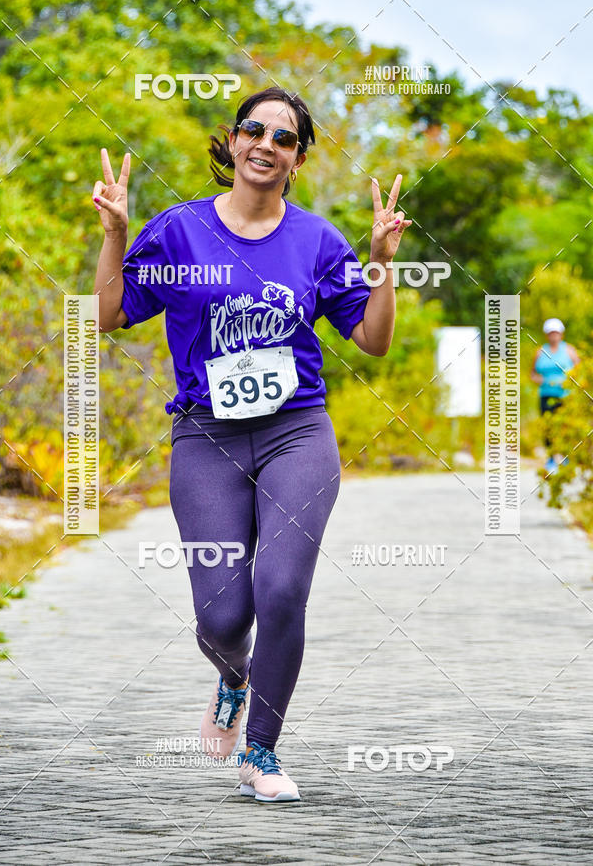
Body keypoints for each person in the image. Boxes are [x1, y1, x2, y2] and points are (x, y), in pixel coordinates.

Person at [92, 86, 412, 802]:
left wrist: (382, 258)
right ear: (232, 143)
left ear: (298, 158)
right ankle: (233, 676)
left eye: (285, 137)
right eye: (254, 130)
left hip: (297, 429)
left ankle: (261, 752)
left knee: (283, 587)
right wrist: (115, 232)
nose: (267, 143)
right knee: (222, 617)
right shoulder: (177, 231)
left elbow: (376, 340)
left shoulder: (319, 242)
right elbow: (108, 315)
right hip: (206, 437)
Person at [530, 318, 579, 474]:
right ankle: (551, 457)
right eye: (551, 333)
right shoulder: (540, 352)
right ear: (547, 335)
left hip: (565, 396)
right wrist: (541, 380)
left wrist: (570, 381)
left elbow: (580, 371)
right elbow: (532, 374)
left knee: (565, 426)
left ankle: (566, 456)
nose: (554, 336)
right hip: (546, 394)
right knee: (548, 427)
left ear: (561, 334)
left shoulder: (569, 350)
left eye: (556, 333)